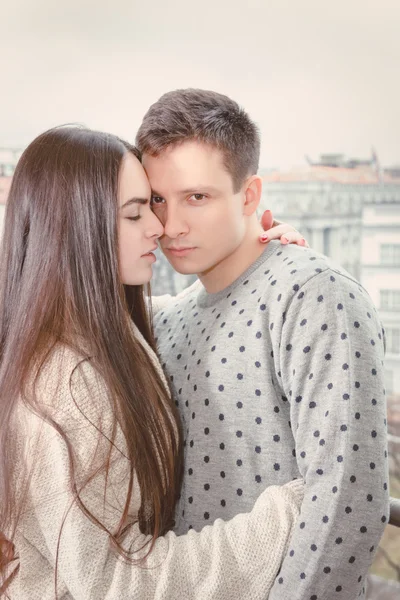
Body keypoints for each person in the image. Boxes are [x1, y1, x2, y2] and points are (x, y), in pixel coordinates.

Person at [0, 126, 306, 600]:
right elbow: (116, 583)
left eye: (153, 205)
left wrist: (259, 260)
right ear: (76, 228)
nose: (158, 227)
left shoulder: (104, 330)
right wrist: (288, 514)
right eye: (134, 213)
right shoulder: (67, 381)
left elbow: (183, 312)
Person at [136, 88, 390, 600]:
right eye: (158, 200)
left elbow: (348, 500)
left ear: (250, 196)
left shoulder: (314, 295)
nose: (172, 225)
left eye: (197, 197)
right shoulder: (165, 321)